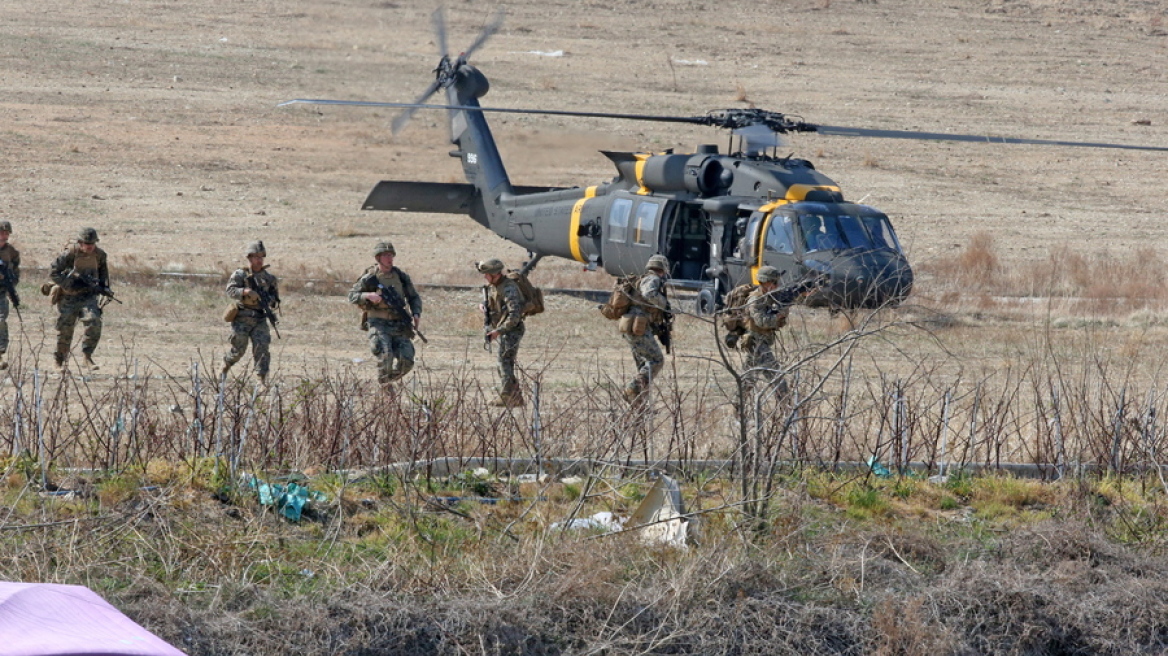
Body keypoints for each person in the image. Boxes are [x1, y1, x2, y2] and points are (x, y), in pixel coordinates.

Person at [349, 241, 422, 389]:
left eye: (391, 255)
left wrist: (416, 313)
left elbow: (414, 297)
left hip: (399, 323)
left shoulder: (401, 276)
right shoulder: (370, 277)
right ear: (378, 258)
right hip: (378, 323)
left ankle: (386, 381)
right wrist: (368, 296)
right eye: (385, 255)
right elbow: (352, 295)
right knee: (385, 356)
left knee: (407, 361)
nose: (389, 258)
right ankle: (385, 388)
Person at [49, 227, 109, 371]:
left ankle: (87, 357)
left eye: (92, 243)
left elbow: (103, 276)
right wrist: (69, 283)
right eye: (87, 243)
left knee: (94, 321)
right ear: (80, 243)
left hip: (88, 296)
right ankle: (59, 361)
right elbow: (53, 272)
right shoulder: (70, 253)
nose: (90, 246)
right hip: (68, 296)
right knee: (65, 329)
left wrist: (102, 288)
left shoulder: (100, 255)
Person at [223, 241, 280, 385]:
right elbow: (230, 290)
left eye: (261, 257)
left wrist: (269, 301)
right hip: (242, 318)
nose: (259, 260)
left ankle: (262, 380)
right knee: (239, 350)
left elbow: (275, 298)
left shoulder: (269, 278)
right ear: (249, 258)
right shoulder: (240, 274)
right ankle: (224, 367)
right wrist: (245, 291)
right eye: (256, 257)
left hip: (260, 318)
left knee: (262, 349)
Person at [621, 254, 672, 404]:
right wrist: (664, 303)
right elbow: (648, 293)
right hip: (639, 326)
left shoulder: (642, 278)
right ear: (663, 269)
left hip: (632, 325)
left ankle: (639, 403)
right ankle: (632, 389)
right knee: (656, 360)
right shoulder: (653, 279)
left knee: (644, 366)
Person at [478, 258, 525, 407]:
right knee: (505, 362)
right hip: (504, 329)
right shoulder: (495, 286)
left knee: (504, 362)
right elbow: (495, 302)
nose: (485, 277)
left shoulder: (509, 289)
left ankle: (507, 397)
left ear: (496, 274)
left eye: (487, 274)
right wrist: (484, 306)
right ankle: (515, 397)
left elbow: (514, 315)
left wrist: (498, 331)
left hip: (512, 330)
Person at [743, 265, 789, 394]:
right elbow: (761, 322)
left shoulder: (771, 296)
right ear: (764, 282)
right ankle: (786, 403)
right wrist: (778, 316)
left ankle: (738, 403)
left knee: (748, 380)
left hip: (763, 342)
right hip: (757, 343)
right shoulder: (755, 299)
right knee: (777, 378)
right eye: (773, 282)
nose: (776, 285)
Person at [0, 221, 20, 370]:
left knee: (0, 320)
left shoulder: (11, 252)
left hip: (1, 292)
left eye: (6, 233)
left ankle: (0, 353)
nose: (4, 236)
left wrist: (11, 284)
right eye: (2, 233)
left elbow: (16, 272)